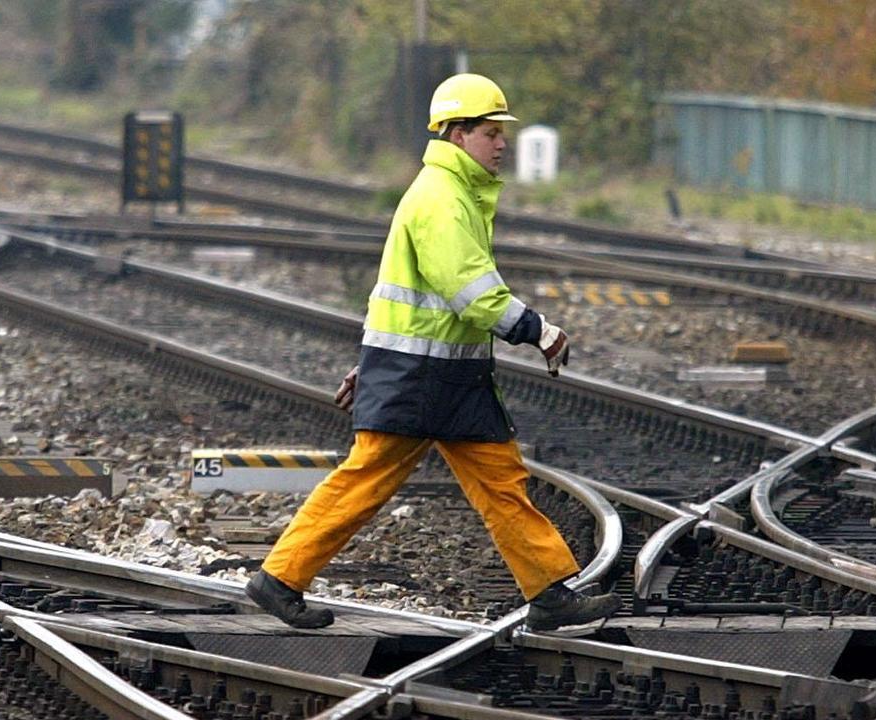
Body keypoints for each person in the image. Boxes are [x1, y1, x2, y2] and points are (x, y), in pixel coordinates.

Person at [244, 72, 621, 633]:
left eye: (501, 133)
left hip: (447, 375)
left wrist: (368, 363)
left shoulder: (456, 195)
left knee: (502, 481)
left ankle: (548, 593)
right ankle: (278, 579)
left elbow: (407, 297)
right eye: (491, 132)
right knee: (366, 479)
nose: (502, 143)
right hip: (419, 375)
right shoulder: (440, 199)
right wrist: (536, 329)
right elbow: (467, 289)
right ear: (456, 134)